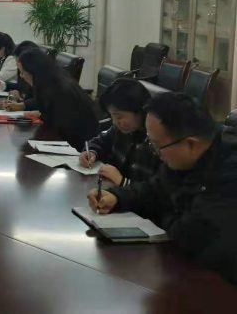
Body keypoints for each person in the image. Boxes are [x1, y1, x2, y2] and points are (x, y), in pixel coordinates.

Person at [88, 92, 237, 285]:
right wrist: (117, 197)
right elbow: (154, 189)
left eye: (157, 146)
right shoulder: (184, 158)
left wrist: (161, 213)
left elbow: (189, 236)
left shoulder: (229, 174)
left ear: (190, 144)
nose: (156, 154)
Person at [78, 78, 159, 186]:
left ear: (140, 111)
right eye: (112, 116)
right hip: (111, 190)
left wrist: (121, 181)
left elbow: (156, 191)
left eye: (119, 116)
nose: (115, 122)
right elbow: (100, 141)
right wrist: (91, 153)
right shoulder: (120, 130)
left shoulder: (156, 144)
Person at [16, 48, 100, 151]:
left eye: (22, 72)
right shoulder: (53, 79)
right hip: (69, 140)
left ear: (32, 71)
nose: (22, 76)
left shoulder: (56, 90)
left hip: (78, 148)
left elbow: (57, 125)